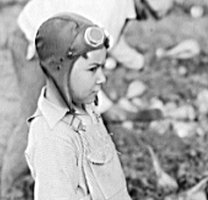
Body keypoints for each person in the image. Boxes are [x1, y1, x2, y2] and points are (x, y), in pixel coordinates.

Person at [1, 0, 173, 198]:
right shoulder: (110, 9)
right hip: (31, 39)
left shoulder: (117, 10)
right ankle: (5, 188)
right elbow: (78, 63)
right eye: (149, 15)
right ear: (144, 5)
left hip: (60, 44)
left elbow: (109, 39)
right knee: (33, 120)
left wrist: (139, 61)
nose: (145, 20)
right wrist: (107, 107)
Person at [25, 12, 132, 200]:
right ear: (60, 70)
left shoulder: (85, 106)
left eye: (102, 67)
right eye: (92, 69)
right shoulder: (53, 138)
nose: (102, 78)